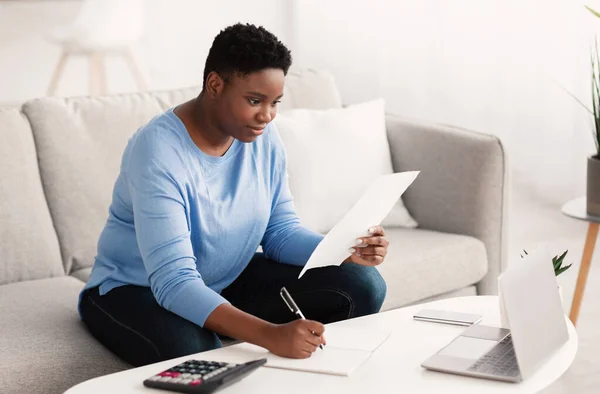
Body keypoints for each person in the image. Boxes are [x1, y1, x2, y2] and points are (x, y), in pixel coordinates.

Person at [78, 23, 389, 367]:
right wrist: (271, 334)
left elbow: (280, 233)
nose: (267, 115)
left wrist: (343, 249)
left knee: (362, 284)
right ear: (215, 85)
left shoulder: (261, 137)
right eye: (255, 101)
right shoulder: (157, 153)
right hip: (135, 290)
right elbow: (174, 281)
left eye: (274, 103)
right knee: (197, 352)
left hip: (222, 279)